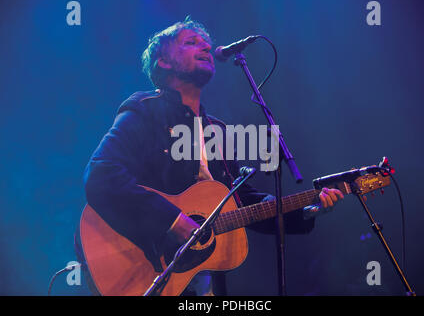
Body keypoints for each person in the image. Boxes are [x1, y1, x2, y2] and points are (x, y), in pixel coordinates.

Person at [77, 17, 344, 296]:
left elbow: (241, 201)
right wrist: (171, 220)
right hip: (146, 266)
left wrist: (307, 209)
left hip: (200, 281)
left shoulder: (216, 130)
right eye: (191, 42)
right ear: (163, 62)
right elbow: (101, 175)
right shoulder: (144, 111)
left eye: (206, 43)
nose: (205, 47)